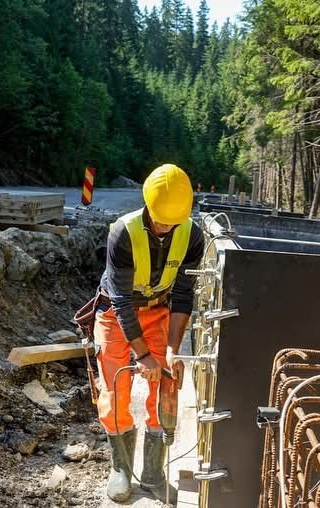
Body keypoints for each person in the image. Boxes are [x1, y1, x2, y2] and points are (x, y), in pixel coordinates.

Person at [93, 163, 204, 502]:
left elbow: (184, 295)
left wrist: (171, 350)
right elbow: (122, 300)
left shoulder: (193, 236)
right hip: (116, 310)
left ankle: (154, 471)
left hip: (160, 308)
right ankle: (121, 468)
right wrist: (141, 355)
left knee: (166, 383)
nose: (166, 227)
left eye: (173, 222)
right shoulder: (123, 233)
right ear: (147, 207)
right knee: (115, 386)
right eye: (160, 220)